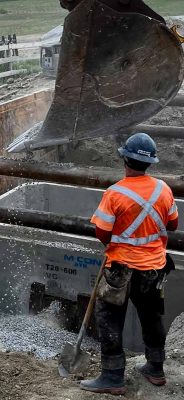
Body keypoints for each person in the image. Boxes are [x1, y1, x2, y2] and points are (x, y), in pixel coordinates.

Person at [82, 132, 178, 395]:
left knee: (110, 319)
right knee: (151, 317)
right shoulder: (164, 189)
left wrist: (117, 244)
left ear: (125, 159)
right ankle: (155, 369)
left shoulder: (114, 194)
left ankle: (112, 377)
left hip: (121, 269)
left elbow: (102, 232)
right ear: (150, 163)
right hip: (154, 269)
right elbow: (172, 224)